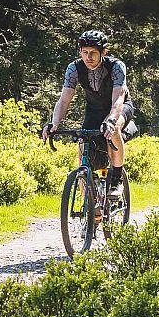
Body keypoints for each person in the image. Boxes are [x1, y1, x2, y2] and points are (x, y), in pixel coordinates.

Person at [41, 30, 135, 199]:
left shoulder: (116, 66)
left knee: (113, 130)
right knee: (83, 150)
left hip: (120, 107)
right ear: (80, 52)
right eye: (85, 53)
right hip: (94, 110)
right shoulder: (74, 68)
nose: (88, 57)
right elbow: (63, 101)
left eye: (93, 53)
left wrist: (111, 120)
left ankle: (116, 179)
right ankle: (92, 208)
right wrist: (54, 123)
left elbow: (118, 98)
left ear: (103, 52)